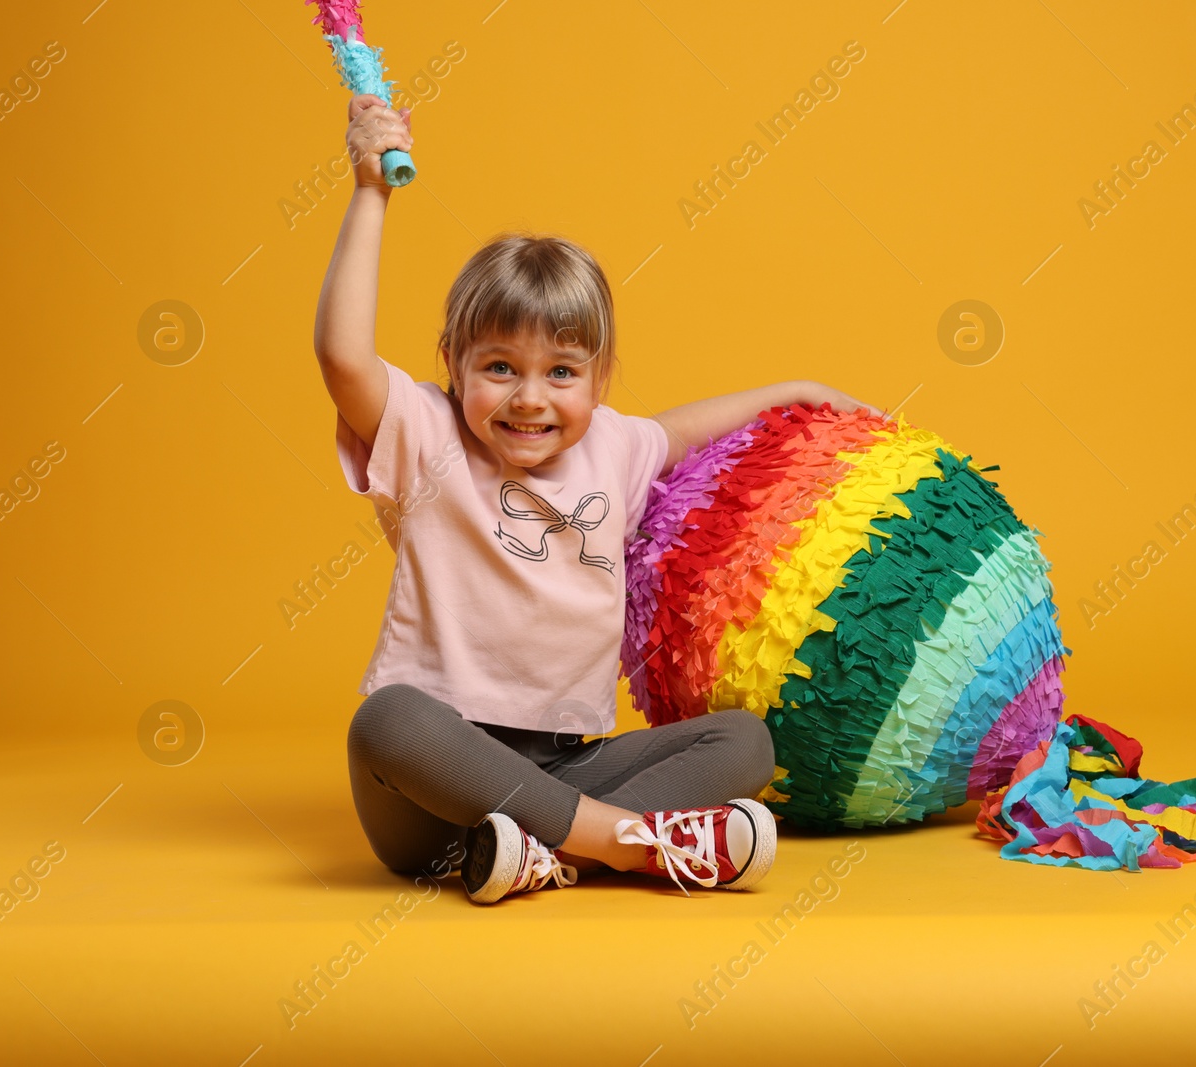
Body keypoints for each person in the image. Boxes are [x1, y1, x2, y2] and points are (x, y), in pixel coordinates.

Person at [315, 94, 883, 903]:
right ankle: (619, 844)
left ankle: (541, 854)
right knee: (387, 719)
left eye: (561, 372)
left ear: (600, 377)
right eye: (500, 367)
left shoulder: (615, 447)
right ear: (451, 363)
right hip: (435, 795)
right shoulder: (425, 434)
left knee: (745, 742)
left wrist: (801, 387)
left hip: (565, 763)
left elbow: (695, 424)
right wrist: (371, 190)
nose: (529, 398)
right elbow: (341, 355)